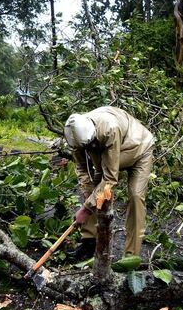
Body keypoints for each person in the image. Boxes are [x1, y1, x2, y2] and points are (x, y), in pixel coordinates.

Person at [64, 107, 155, 259]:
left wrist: (86, 209)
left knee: (136, 197)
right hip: (110, 152)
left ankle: (131, 255)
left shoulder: (110, 129)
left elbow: (110, 179)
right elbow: (81, 167)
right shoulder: (73, 134)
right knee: (92, 191)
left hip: (140, 148)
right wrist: (87, 191)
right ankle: (89, 243)